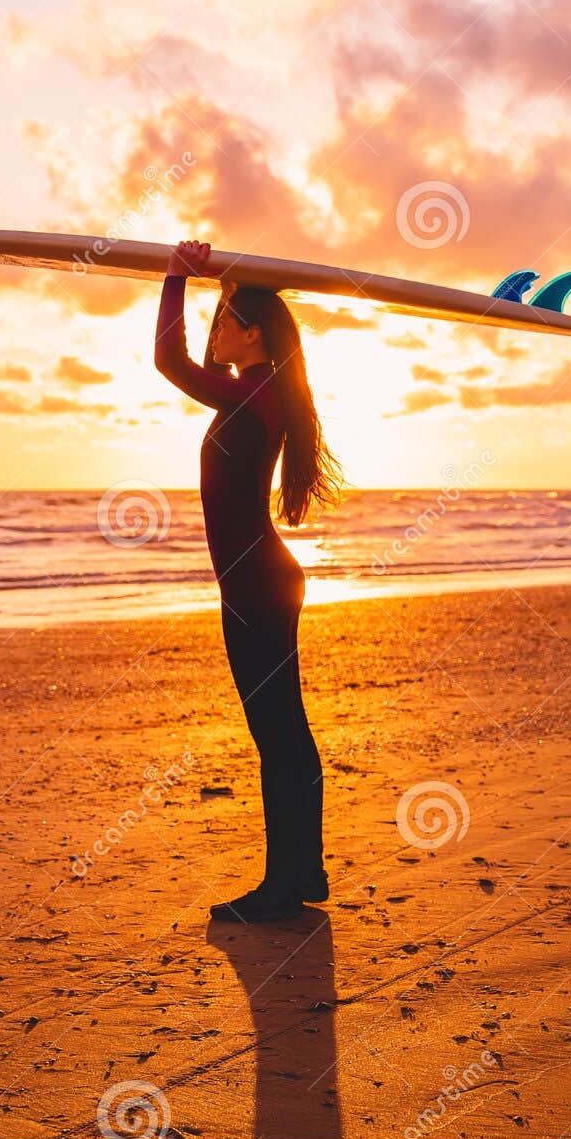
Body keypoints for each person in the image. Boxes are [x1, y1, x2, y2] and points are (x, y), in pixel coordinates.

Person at [154, 240, 344, 922]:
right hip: (262, 581)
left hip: (256, 588)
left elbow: (169, 361)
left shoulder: (253, 396)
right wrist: (217, 288)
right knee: (285, 730)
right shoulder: (255, 392)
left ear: (254, 333)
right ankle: (303, 872)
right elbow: (199, 360)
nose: (214, 333)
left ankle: (280, 886)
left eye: (225, 320)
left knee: (276, 734)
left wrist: (176, 280)